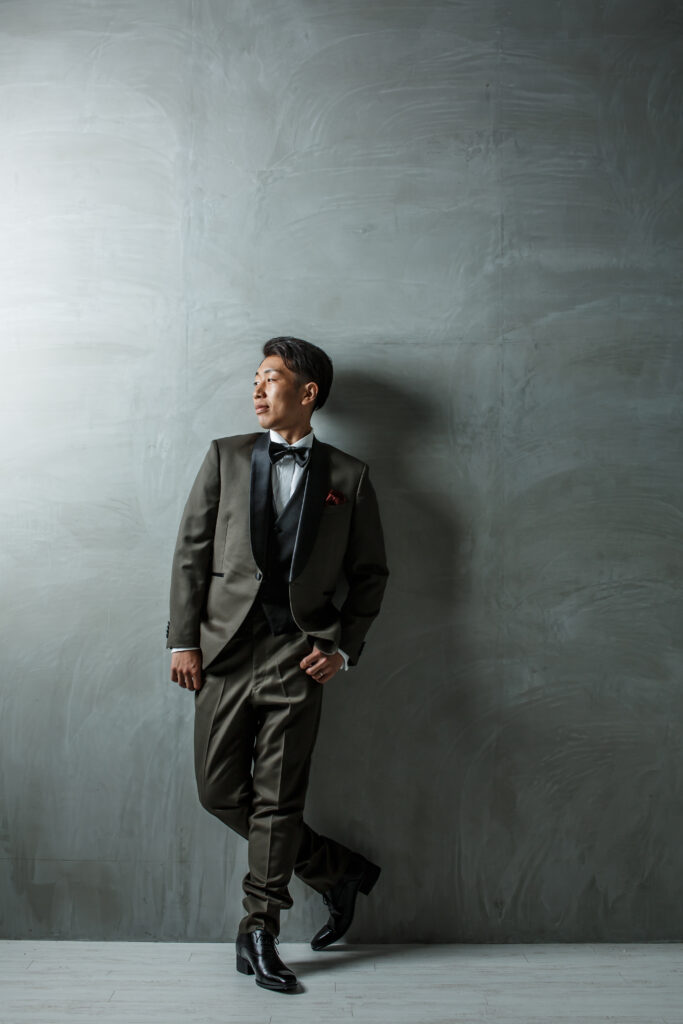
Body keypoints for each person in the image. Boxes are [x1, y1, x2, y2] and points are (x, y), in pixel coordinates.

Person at [166, 336, 389, 992]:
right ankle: (334, 869)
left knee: (279, 797)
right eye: (256, 379)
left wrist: (341, 647)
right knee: (218, 792)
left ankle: (258, 928)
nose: (257, 389)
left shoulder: (348, 477)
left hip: (299, 658)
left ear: (307, 392)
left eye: (269, 378)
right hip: (224, 655)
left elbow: (370, 574)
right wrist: (183, 641)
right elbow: (191, 552)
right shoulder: (225, 456)